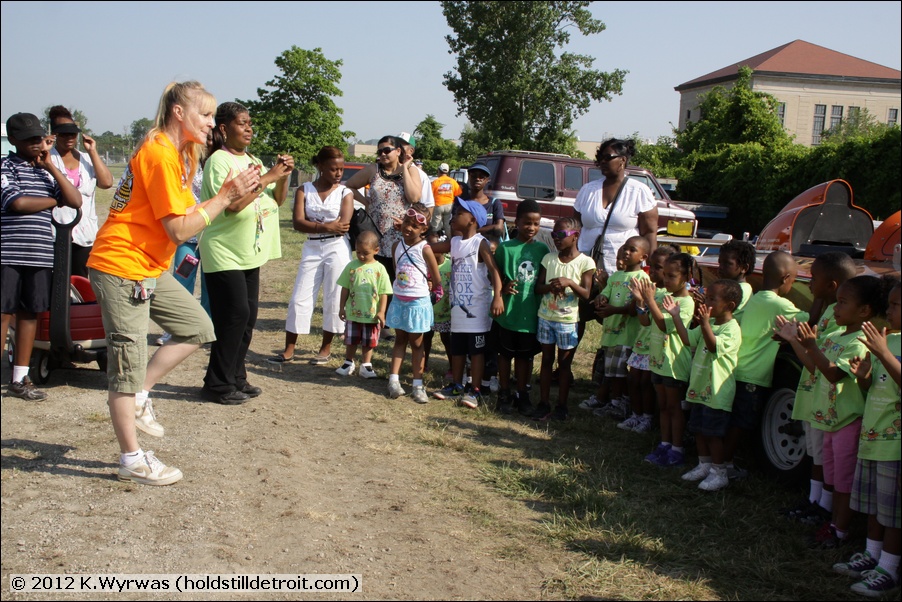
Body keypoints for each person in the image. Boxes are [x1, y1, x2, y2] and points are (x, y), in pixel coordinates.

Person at [86, 81, 261, 485]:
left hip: (148, 266)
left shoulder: (179, 155)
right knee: (126, 368)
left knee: (197, 327)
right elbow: (180, 230)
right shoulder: (160, 153)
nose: (212, 123)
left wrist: (234, 194)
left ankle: (141, 395)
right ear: (179, 113)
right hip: (121, 266)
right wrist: (225, 196)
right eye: (206, 114)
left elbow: (189, 216)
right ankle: (132, 459)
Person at [776, 275, 885, 549]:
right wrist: (795, 341)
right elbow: (815, 367)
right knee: (833, 478)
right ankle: (833, 523)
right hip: (829, 421)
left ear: (864, 310)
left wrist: (812, 345)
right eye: (836, 302)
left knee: (844, 482)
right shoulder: (835, 335)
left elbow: (834, 374)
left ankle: (840, 530)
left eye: (843, 303)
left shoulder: (860, 342)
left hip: (847, 422)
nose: (835, 308)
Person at [199, 102, 293, 403]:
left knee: (247, 316)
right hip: (223, 251)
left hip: (248, 252)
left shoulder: (252, 160)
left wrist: (283, 175)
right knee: (233, 315)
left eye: (250, 123)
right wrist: (268, 177)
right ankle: (217, 384)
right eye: (242, 123)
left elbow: (277, 200)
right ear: (224, 128)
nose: (249, 128)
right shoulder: (218, 161)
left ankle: (236, 377)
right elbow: (233, 205)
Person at [2, 112, 82, 400]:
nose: (36, 144)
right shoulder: (5, 167)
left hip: (39, 255)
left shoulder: (44, 171)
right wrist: (53, 200)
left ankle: (20, 379)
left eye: (38, 138)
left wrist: (50, 166)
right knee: (3, 314)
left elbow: (74, 200)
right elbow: (18, 203)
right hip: (8, 254)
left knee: (29, 315)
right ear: (13, 140)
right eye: (29, 140)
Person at [777, 251, 857, 526]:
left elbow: (816, 363)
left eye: (813, 278)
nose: (809, 283)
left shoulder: (839, 320)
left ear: (832, 285)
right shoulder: (829, 313)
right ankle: (814, 502)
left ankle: (823, 507)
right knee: (816, 456)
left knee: (825, 460)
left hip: (826, 401)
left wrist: (796, 340)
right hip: (815, 397)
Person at [836, 279, 900, 597]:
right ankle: (872, 555)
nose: (888, 310)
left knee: (894, 513)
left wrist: (883, 353)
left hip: (895, 444)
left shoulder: (886, 344)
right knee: (875, 506)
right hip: (873, 437)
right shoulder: (887, 339)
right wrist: (864, 377)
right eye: (889, 304)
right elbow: (874, 386)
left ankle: (889, 568)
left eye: (896, 305)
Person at [723, 251, 808, 479]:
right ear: (785, 278)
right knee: (740, 422)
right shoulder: (779, 304)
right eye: (794, 280)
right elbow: (809, 321)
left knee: (732, 420)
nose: (793, 284)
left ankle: (719, 460)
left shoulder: (756, 298)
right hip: (754, 375)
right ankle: (723, 466)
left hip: (738, 369)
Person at [273, 146, 352, 365]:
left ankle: (325, 348)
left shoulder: (345, 192)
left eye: (341, 169)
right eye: (333, 169)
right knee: (300, 296)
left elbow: (343, 226)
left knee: (334, 296)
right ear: (320, 166)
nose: (338, 173)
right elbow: (298, 223)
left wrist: (317, 225)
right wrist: (326, 226)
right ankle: (289, 348)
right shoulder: (304, 190)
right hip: (312, 247)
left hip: (337, 248)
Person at [573, 138, 658, 342]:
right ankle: (567, 360)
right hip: (586, 266)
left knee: (618, 321)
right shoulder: (588, 190)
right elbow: (574, 227)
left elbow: (649, 232)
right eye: (600, 158)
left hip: (622, 270)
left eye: (607, 157)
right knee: (577, 316)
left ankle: (611, 359)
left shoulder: (639, 191)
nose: (602, 162)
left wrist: (650, 268)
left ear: (623, 160)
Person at [671, 279, 743, 491]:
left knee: (713, 433)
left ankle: (719, 472)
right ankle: (704, 465)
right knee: (699, 430)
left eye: (712, 299)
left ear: (729, 305)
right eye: (706, 297)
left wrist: (704, 324)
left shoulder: (731, 328)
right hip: (699, 390)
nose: (706, 302)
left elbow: (713, 347)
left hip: (716, 393)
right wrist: (676, 316)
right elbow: (688, 339)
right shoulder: (709, 323)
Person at [431, 198, 504, 408]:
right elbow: (429, 248)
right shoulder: (454, 242)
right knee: (458, 349)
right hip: (457, 311)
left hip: (477, 311)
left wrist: (498, 296)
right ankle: (457, 385)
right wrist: (416, 238)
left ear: (472, 220)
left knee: (477, 352)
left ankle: (476, 390)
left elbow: (494, 270)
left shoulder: (479, 243)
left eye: (458, 214)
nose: (453, 217)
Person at [633, 253, 698, 467]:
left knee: (674, 407)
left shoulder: (685, 303)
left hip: (673, 364)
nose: (666, 280)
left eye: (672, 276)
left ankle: (677, 449)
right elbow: (646, 322)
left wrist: (650, 300)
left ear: (686, 277)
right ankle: (664, 444)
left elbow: (664, 325)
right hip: (658, 361)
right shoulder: (663, 297)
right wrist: (641, 301)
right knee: (663, 406)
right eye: (665, 275)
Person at [533, 217, 596, 421]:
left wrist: (569, 283)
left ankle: (562, 406)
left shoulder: (586, 262)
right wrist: (550, 287)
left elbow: (586, 294)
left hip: (567, 320)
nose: (556, 239)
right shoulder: (549, 258)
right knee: (546, 361)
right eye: (554, 235)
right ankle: (543, 403)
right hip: (545, 317)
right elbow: (538, 287)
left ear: (575, 236)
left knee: (564, 363)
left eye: (561, 235)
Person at [156, 131, 213, 346]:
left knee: (209, 286)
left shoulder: (219, 164)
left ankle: (206, 328)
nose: (207, 143)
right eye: (204, 138)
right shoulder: (185, 163)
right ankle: (172, 329)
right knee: (181, 280)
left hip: (210, 236)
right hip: (188, 236)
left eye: (211, 139)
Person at [492, 199, 549, 415]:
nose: (531, 228)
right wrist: (501, 291)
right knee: (505, 355)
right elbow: (494, 274)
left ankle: (522, 394)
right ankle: (504, 392)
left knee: (525, 357)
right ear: (516, 222)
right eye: (527, 223)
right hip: (508, 312)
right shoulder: (505, 248)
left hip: (530, 315)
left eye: (536, 223)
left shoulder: (543, 249)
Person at [587, 236, 651, 427]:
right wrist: (601, 299)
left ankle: (621, 404)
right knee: (612, 372)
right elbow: (605, 293)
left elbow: (634, 309)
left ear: (643, 257)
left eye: (632, 250)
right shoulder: (615, 276)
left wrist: (613, 310)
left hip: (627, 335)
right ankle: (613, 402)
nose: (626, 252)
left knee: (621, 373)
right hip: (610, 333)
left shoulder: (642, 279)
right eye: (625, 248)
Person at [385, 203, 443, 404]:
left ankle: (417, 385)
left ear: (423, 229)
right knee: (400, 340)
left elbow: (436, 278)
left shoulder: (425, 249)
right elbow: (397, 270)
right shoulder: (396, 246)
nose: (408, 228)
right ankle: (394, 380)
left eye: (415, 226)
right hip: (400, 300)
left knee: (417, 344)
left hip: (417, 303)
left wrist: (431, 287)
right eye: (406, 222)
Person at [47, 106, 113, 278]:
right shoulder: (47, 159)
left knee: (80, 283)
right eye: (64, 134)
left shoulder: (85, 158)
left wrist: (92, 151)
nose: (69, 138)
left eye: (73, 133)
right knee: (56, 283)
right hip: (55, 233)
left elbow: (106, 183)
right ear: (55, 134)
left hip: (84, 234)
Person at [335, 230, 392, 379]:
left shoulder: (380, 269)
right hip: (353, 313)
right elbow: (345, 288)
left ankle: (366, 365)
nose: (361, 256)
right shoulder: (351, 267)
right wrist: (341, 307)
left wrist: (381, 312)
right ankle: (348, 362)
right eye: (358, 252)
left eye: (365, 253)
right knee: (351, 339)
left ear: (376, 250)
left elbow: (384, 292)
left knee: (369, 341)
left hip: (371, 315)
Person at [423, 243, 452, 379]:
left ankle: (452, 367)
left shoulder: (450, 265)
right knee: (426, 338)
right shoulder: (424, 266)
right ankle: (423, 364)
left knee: (447, 339)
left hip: (446, 312)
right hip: (428, 311)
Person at [715, 239, 756, 321]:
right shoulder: (731, 288)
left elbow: (723, 318)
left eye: (727, 264)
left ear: (744, 268)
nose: (720, 267)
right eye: (720, 263)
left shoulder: (742, 290)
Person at [464, 163, 505, 240]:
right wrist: (489, 228)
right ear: (469, 177)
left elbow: (499, 227)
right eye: (474, 176)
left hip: (489, 245)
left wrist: (473, 231)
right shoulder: (462, 203)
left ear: (487, 180)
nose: (477, 179)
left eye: (481, 177)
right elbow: (455, 229)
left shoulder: (494, 203)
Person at [430, 162, 461, 238]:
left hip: (438, 205)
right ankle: (450, 240)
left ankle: (436, 239)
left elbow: (430, 194)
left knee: (436, 224)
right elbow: (459, 193)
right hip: (449, 205)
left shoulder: (435, 182)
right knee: (448, 224)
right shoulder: (453, 181)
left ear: (439, 171)